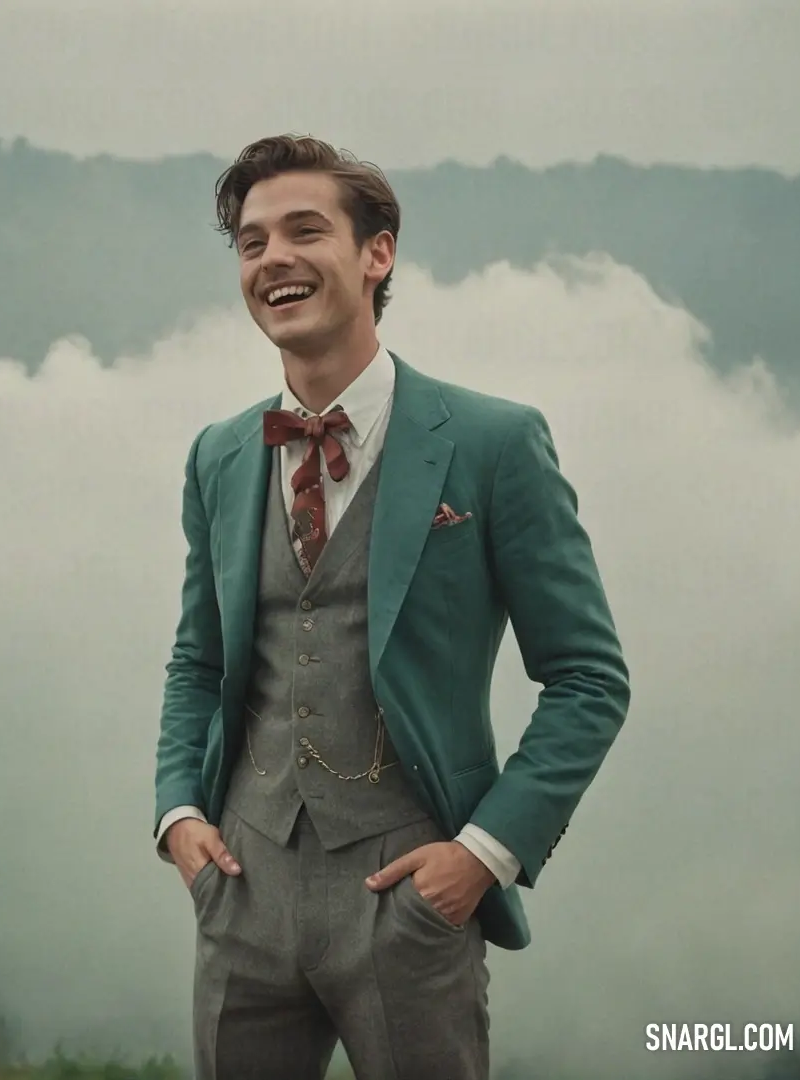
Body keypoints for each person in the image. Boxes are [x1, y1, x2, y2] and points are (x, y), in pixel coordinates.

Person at [152, 133, 631, 1080]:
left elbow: (588, 678)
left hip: (411, 896)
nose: (273, 259)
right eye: (251, 243)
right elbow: (197, 662)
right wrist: (178, 820)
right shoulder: (218, 455)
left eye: (304, 231)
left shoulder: (493, 443)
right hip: (239, 889)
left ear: (379, 252)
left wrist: (482, 855)